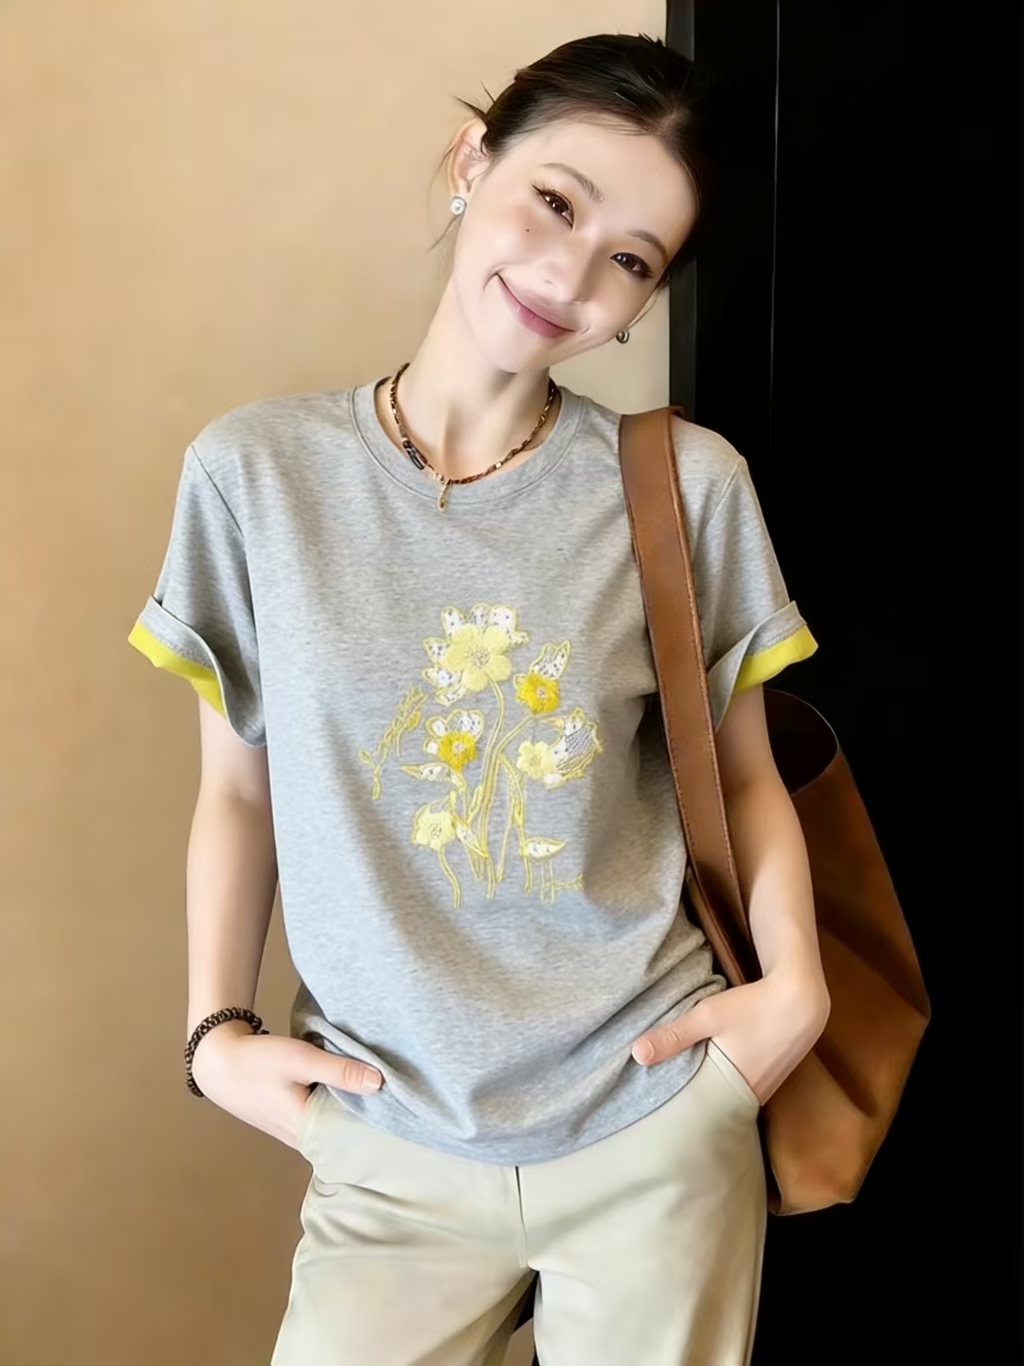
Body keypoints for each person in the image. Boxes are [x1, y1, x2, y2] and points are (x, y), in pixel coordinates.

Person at [128, 31, 829, 1366]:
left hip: (652, 1121)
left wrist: (792, 997)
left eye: (631, 259)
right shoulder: (255, 476)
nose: (570, 275)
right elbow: (237, 788)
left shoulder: (686, 488)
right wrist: (215, 1031)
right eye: (554, 201)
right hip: (387, 1142)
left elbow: (747, 776)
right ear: (472, 162)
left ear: (647, 299)